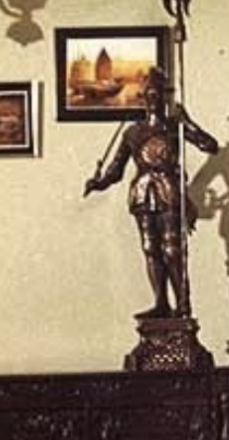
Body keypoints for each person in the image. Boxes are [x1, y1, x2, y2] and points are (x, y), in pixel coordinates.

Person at [84, 66, 219, 319]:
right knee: (150, 247)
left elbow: (211, 146)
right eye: (149, 94)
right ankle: (161, 302)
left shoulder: (175, 126)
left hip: (169, 189)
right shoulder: (133, 132)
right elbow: (116, 169)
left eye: (158, 94)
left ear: (166, 96)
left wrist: (189, 123)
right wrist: (99, 183)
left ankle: (183, 304)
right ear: (143, 97)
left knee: (171, 248)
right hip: (143, 191)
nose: (154, 99)